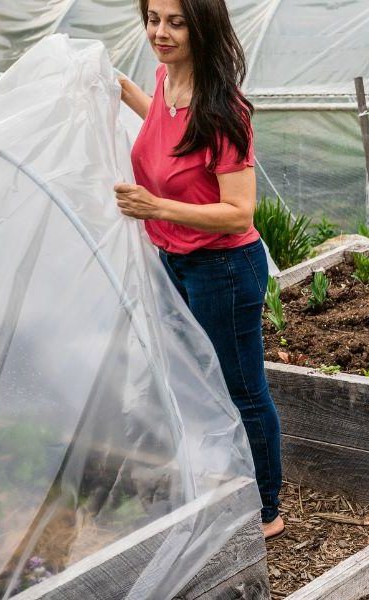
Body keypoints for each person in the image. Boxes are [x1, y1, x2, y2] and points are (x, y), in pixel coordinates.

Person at [114, 0, 284, 539]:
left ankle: (267, 510)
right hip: (176, 261)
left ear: (202, 28)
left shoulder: (224, 111)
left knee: (241, 388)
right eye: (153, 19)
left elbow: (239, 211)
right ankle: (218, 478)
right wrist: (123, 91)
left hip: (224, 267)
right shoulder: (165, 82)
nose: (160, 32)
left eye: (176, 22)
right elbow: (168, 134)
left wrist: (156, 206)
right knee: (193, 381)